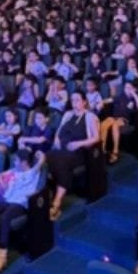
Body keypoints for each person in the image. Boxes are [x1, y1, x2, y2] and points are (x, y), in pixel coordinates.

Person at [0, 149, 45, 274]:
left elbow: (41, 161)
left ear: (24, 162)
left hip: (20, 204)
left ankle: (2, 255)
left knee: (5, 218)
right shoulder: (14, 171)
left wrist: (40, 155)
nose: (14, 162)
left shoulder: (32, 172)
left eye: (16, 160)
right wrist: (3, 183)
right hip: (8, 200)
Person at [47, 92, 100, 220]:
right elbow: (59, 131)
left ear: (84, 102)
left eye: (77, 100)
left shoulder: (89, 116)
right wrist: (56, 139)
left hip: (77, 152)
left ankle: (57, 202)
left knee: (63, 163)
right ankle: (43, 195)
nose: (74, 102)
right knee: (45, 158)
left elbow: (96, 138)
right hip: (61, 149)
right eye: (72, 100)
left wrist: (78, 143)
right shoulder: (67, 114)